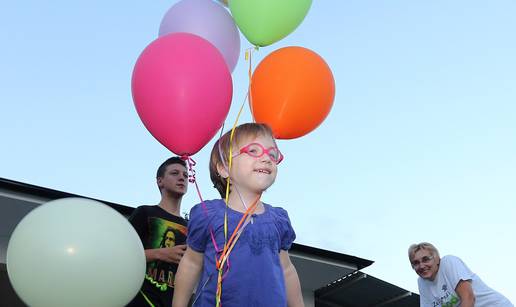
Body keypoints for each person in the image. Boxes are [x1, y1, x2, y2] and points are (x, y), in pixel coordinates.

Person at [173, 123, 304, 307]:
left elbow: (287, 269)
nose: (267, 158)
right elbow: (191, 264)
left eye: (272, 154)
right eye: (253, 150)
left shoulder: (278, 219)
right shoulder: (208, 214)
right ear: (224, 168)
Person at [127, 157, 189, 307]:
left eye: (186, 175)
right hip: (140, 299)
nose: (182, 177)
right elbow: (122, 255)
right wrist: (160, 253)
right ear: (160, 181)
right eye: (175, 173)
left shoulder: (191, 226)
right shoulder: (144, 212)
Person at [408, 242, 513, 307]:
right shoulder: (422, 282)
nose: (421, 266)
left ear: (437, 259)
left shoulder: (448, 262)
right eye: (416, 263)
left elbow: (468, 297)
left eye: (426, 259)